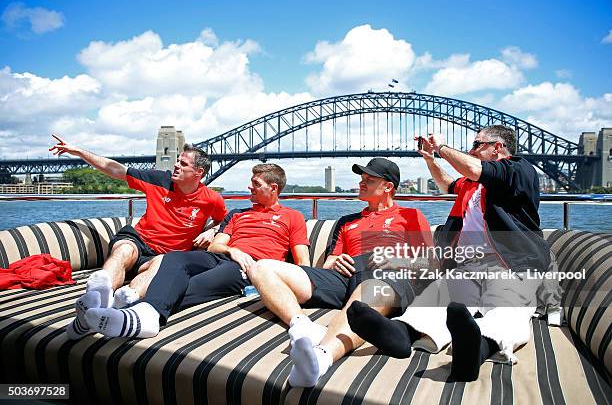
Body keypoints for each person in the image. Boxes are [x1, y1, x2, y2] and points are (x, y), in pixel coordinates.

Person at [348, 125, 550, 382]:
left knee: (508, 308)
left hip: (511, 266)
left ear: (497, 147)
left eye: (477, 144)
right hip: (467, 266)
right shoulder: (472, 186)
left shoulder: (518, 170)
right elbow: (447, 183)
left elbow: (474, 168)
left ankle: (476, 349)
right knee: (436, 298)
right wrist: (430, 159)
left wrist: (442, 147)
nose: (471, 149)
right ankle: (400, 333)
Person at [249, 158, 433, 388]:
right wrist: (337, 262)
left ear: (388, 187)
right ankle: (302, 325)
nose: (362, 183)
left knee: (371, 287)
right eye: (362, 178)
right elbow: (329, 263)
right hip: (346, 276)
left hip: (388, 276)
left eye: (370, 180)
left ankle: (321, 357)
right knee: (261, 267)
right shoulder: (347, 222)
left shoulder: (410, 216)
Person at [83, 163, 311, 339]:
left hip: (250, 268)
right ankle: (131, 309)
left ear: (273, 188)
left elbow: (302, 263)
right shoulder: (238, 214)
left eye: (256, 184)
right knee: (173, 259)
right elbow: (216, 245)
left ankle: (138, 314)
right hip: (221, 256)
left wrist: (276, 285)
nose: (250, 187)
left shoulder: (293, 217)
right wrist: (233, 251)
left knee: (196, 284)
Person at [49, 136, 227, 339]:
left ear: (198, 173)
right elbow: (115, 169)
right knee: (124, 251)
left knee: (163, 262)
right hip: (138, 240)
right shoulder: (159, 180)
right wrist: (79, 152)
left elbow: (224, 222)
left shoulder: (212, 199)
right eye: (177, 160)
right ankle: (95, 297)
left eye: (183, 163)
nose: (176, 165)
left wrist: (212, 231)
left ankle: (116, 308)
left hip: (163, 257)